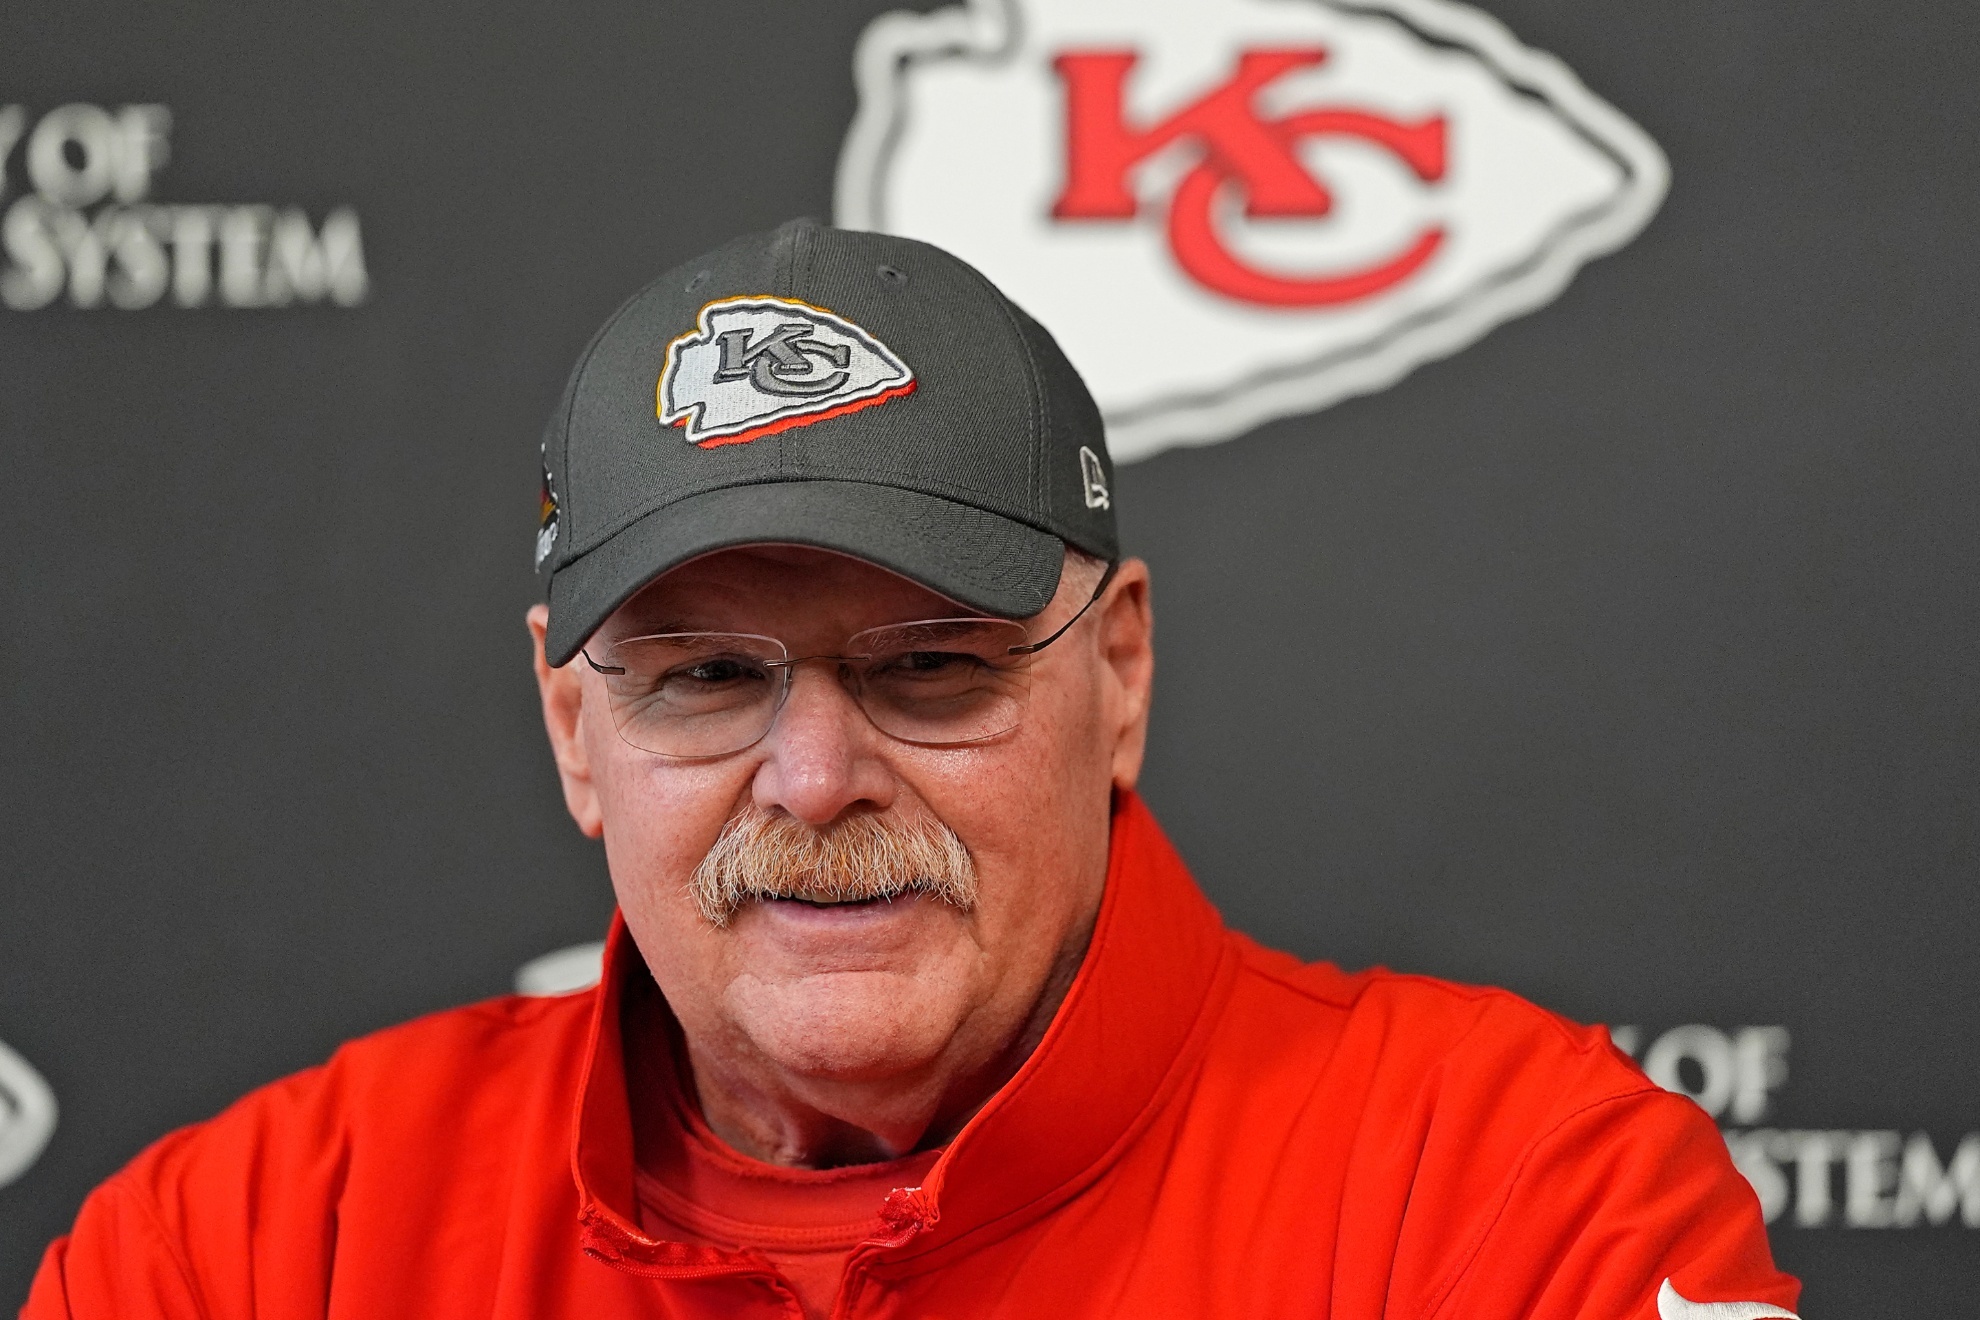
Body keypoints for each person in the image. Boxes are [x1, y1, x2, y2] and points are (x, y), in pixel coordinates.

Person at [22, 219, 1801, 1320]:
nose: (812, 778)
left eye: (931, 671)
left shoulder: (1514, 1196)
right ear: (577, 732)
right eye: (707, 677)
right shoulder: (258, 1251)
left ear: (1119, 677)